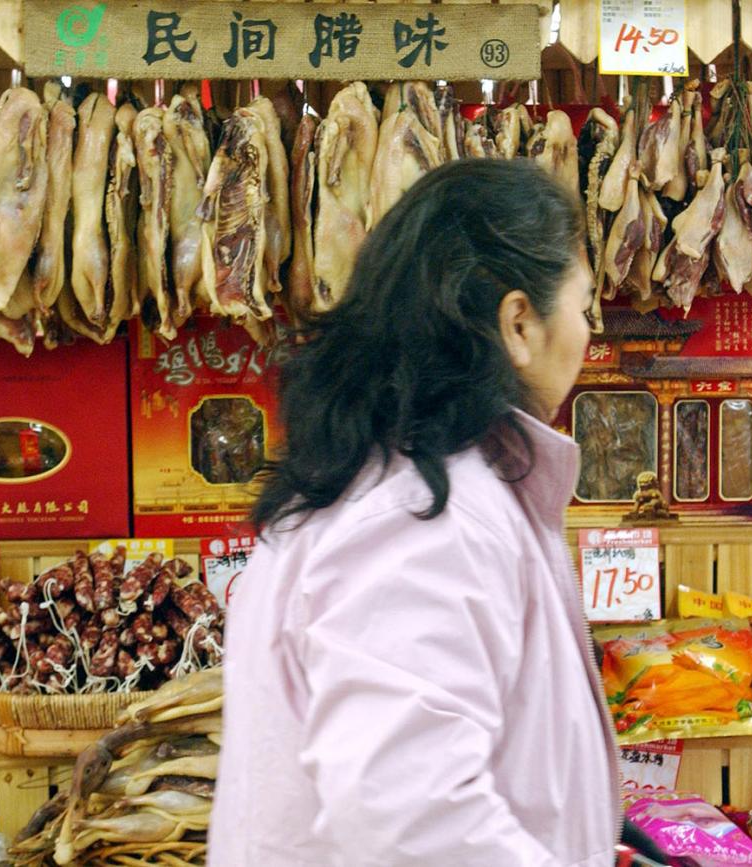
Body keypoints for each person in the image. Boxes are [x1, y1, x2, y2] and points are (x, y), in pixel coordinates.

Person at [210, 159, 627, 866]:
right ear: (519, 323)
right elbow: (405, 811)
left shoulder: (388, 479)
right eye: (583, 306)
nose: (587, 333)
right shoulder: (429, 515)